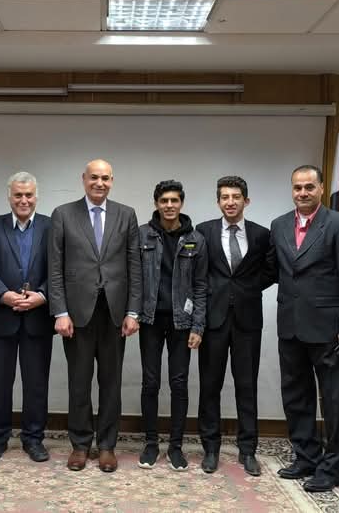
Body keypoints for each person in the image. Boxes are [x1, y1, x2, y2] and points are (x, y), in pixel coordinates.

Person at [268, 164, 339, 492]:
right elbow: (274, 270)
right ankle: (306, 457)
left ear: (321, 188)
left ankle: (332, 468)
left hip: (330, 330)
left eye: (309, 187)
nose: (303, 193)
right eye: (298, 187)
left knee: (334, 401)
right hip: (290, 326)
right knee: (296, 396)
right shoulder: (279, 225)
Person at [49, 158, 141, 473]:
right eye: (94, 178)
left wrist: (133, 311)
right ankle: (79, 444)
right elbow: (55, 267)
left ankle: (106, 446)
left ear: (112, 181)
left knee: (111, 382)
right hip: (76, 314)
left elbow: (134, 266)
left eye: (105, 178)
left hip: (114, 313)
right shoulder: (63, 214)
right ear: (84, 179)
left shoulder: (126, 214)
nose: (99, 183)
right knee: (79, 381)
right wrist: (60, 311)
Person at [195, 176, 273, 477]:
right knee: (209, 385)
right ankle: (210, 448)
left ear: (246, 201)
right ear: (218, 202)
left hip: (247, 320)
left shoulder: (262, 235)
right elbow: (198, 271)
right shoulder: (203, 231)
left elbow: (271, 270)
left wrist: (247, 288)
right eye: (225, 197)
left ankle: (248, 449)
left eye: (236, 197)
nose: (230, 202)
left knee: (246, 386)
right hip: (213, 320)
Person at [0, 172, 53, 463]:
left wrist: (42, 296)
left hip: (38, 318)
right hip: (2, 316)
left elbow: (59, 269)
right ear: (9, 197)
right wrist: (3, 295)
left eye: (29, 195)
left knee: (36, 384)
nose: (24, 200)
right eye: (18, 195)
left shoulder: (51, 225)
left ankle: (33, 439)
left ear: (37, 196)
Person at [137, 180, 207, 471]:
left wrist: (198, 326)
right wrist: (132, 314)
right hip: (150, 320)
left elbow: (201, 286)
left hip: (182, 322)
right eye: (164, 200)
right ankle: (151, 444)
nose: (169, 205)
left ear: (181, 203)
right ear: (156, 204)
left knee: (179, 384)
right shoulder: (142, 235)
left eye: (174, 200)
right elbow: (134, 279)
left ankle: (176, 447)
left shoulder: (196, 239)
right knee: (150, 383)